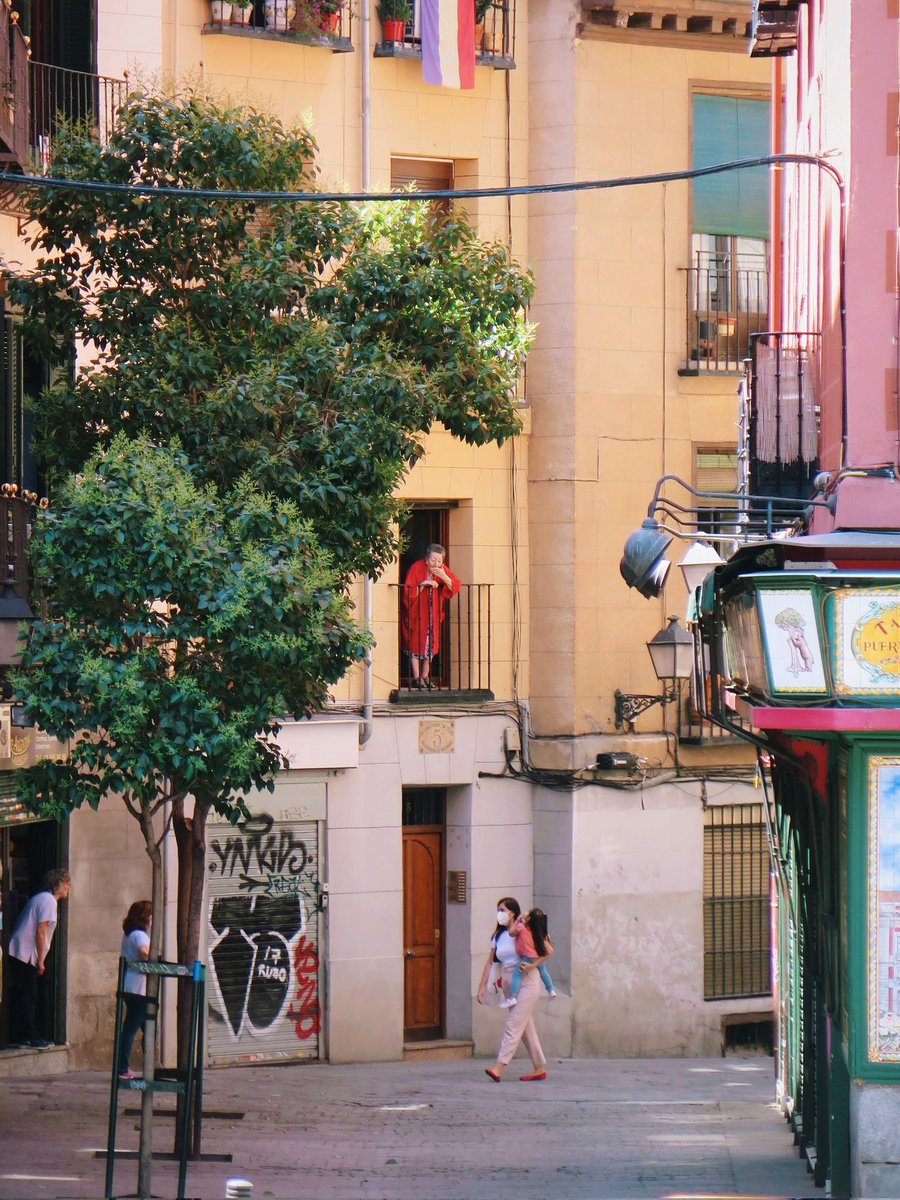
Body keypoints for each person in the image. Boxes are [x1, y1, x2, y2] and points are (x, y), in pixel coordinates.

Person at [477, 896, 549, 1083]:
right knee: (524, 1025)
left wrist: (532, 966)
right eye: (498, 909)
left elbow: (547, 950)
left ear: (513, 913)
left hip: (526, 980)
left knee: (514, 1024)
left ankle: (499, 1067)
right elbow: (491, 962)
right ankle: (539, 1068)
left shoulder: (526, 930)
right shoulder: (498, 936)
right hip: (509, 983)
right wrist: (482, 986)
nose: (499, 913)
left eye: (503, 909)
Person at [7, 868, 71, 1049]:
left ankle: (20, 1033)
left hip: (20, 951)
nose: (68, 887)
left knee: (23, 994)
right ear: (56, 884)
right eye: (66, 883)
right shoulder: (49, 901)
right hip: (25, 954)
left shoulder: (40, 898)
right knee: (28, 995)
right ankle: (27, 1035)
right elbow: (41, 930)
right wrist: (41, 959)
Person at [400, 543, 460, 689]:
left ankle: (425, 675)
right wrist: (423, 584)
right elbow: (408, 592)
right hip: (416, 613)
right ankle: (416, 677)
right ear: (426, 559)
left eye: (439, 561)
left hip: (433, 613)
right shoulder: (416, 567)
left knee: (430, 644)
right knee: (414, 643)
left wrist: (444, 577)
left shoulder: (442, 570)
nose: (436, 564)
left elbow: (455, 587)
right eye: (433, 560)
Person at [116, 899, 152, 1081]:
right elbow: (144, 952)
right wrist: (152, 964)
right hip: (139, 989)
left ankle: (150, 1067)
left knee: (150, 1027)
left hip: (130, 986)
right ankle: (122, 1068)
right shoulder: (140, 935)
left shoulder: (129, 934)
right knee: (130, 1029)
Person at [500, 907, 556, 1008]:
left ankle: (512, 997)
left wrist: (518, 920)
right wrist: (534, 964)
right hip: (535, 956)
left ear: (529, 918)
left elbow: (511, 933)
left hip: (524, 958)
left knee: (516, 975)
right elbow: (550, 951)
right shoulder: (540, 932)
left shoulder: (521, 927)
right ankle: (551, 990)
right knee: (543, 971)